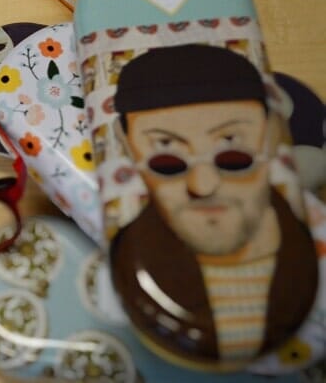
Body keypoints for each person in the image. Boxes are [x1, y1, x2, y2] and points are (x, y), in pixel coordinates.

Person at [109, 44, 318, 368]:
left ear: (273, 133)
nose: (203, 185)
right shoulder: (129, 258)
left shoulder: (309, 251)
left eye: (232, 155)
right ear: (126, 145)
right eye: (167, 160)